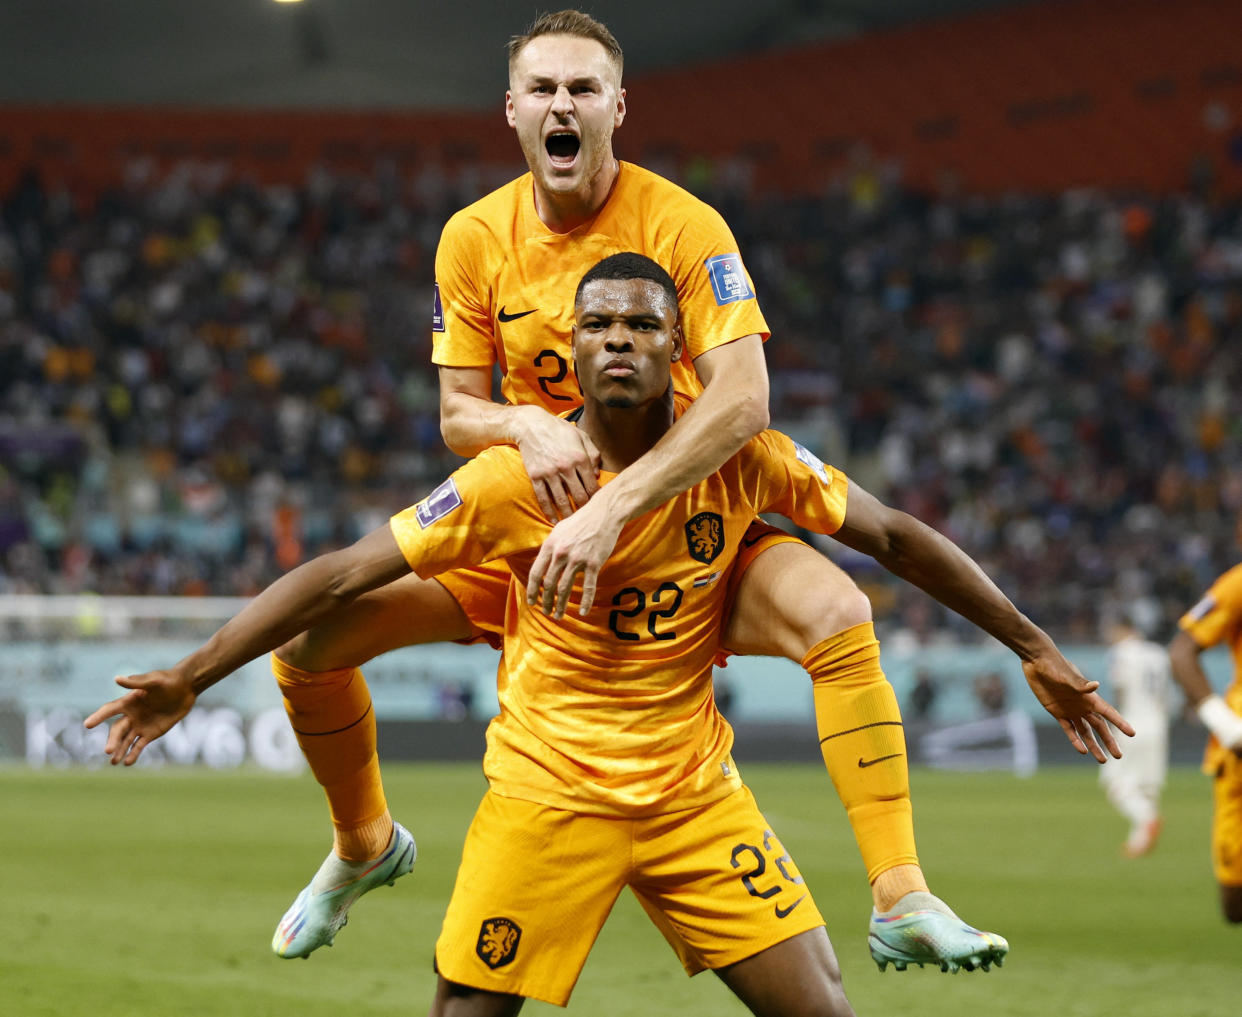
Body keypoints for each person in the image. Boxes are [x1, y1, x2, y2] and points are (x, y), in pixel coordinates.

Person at [231, 9, 1129, 966]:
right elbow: (458, 413)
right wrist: (525, 422)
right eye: (544, 88)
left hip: (691, 530)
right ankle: (364, 844)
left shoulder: (685, 225)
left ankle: (900, 894)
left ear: (619, 106)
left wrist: (616, 502)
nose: (563, 104)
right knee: (308, 646)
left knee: (835, 608)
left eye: (583, 88)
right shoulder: (472, 238)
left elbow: (744, 400)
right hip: (536, 539)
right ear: (512, 110)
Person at [88, 254, 1126, 1010]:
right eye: (599, 327)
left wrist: (1033, 644)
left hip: (693, 800)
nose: (620, 340)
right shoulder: (511, 481)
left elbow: (896, 537)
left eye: (641, 325)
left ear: (679, 347)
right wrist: (192, 675)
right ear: (568, 354)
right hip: (547, 795)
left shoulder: (744, 457)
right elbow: (342, 573)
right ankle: (361, 842)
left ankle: (901, 892)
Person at [1169, 532, 1242, 922]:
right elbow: (1182, 652)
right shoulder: (1238, 584)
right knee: (1234, 904)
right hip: (1239, 753)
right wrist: (1228, 728)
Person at [1098, 614, 1174, 858]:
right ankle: (1139, 841)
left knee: (1114, 783)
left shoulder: (1122, 652)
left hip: (1130, 723)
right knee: (1147, 786)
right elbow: (1165, 695)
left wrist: (1110, 724)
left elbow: (1120, 689)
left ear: (1123, 629)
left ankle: (1147, 819)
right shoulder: (1159, 653)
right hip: (1158, 724)